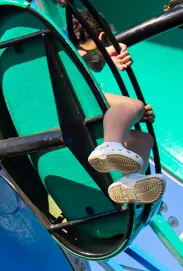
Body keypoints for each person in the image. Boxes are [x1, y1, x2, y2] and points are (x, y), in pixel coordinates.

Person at [67, 5, 166, 206]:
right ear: (102, 36)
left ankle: (130, 179)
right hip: (70, 96)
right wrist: (105, 52)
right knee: (134, 105)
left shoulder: (86, 53)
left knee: (143, 138)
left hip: (78, 103)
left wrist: (105, 54)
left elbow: (90, 58)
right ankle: (111, 145)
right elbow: (80, 55)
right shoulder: (62, 42)